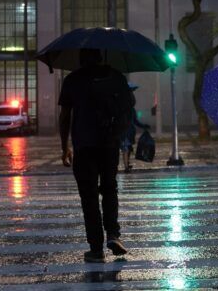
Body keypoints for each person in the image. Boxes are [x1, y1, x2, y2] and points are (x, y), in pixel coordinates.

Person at [58, 49, 131, 263]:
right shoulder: (116, 77)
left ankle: (96, 249)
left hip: (84, 146)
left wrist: (64, 147)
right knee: (109, 188)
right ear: (101, 57)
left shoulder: (73, 80)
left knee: (88, 197)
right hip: (109, 144)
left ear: (81, 59)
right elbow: (128, 107)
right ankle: (113, 234)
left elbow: (65, 117)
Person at [120, 83, 150, 173]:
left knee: (127, 148)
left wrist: (143, 126)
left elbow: (135, 121)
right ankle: (126, 166)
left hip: (127, 132)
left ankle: (127, 164)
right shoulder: (127, 109)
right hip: (126, 132)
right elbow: (135, 121)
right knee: (126, 149)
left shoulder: (128, 109)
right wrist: (143, 126)